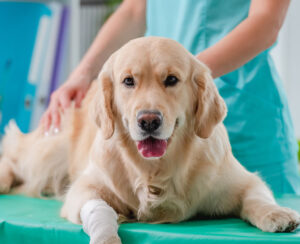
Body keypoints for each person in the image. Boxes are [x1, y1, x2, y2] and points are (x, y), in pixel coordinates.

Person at [41, 0, 300, 195]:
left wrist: (188, 76)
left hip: (246, 120)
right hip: (159, 134)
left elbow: (266, 23)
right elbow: (133, 10)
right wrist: (83, 73)